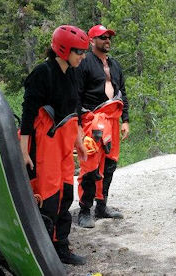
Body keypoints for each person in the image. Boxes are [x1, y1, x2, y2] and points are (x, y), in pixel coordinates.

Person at [20, 25, 88, 265]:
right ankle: (42, 255)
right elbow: (28, 114)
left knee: (66, 194)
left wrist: (79, 142)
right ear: (63, 49)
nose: (83, 56)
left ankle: (61, 248)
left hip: (65, 142)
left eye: (84, 51)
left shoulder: (72, 72)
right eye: (79, 51)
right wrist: (23, 151)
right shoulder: (43, 73)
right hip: (44, 142)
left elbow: (74, 110)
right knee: (47, 199)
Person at [76, 25, 129, 228]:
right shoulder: (84, 63)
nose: (107, 40)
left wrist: (125, 120)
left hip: (113, 120)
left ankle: (102, 205)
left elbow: (121, 93)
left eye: (109, 37)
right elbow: (76, 95)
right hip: (92, 120)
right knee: (90, 166)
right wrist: (79, 125)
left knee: (110, 164)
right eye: (102, 37)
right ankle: (84, 210)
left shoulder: (115, 65)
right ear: (92, 41)